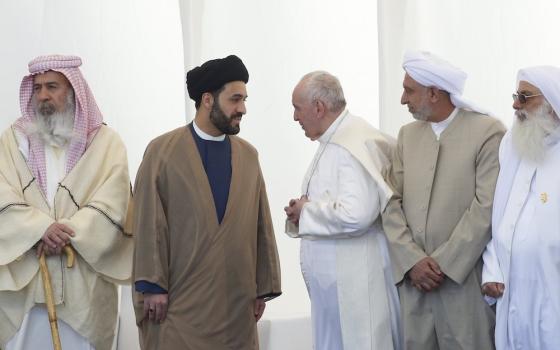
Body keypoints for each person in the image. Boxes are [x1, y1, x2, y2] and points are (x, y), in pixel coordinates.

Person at [132, 54, 282, 350]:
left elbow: (260, 223)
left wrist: (262, 288)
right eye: (235, 99)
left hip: (236, 307)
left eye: (244, 100)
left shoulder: (248, 156)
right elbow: (148, 221)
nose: (243, 109)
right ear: (208, 99)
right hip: (179, 306)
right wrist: (152, 286)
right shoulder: (162, 152)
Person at [0, 55, 133, 350]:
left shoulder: (106, 144)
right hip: (26, 289)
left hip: (83, 287)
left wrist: (66, 233)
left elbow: (114, 201)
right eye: (37, 88)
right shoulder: (12, 141)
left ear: (73, 91)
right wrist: (38, 229)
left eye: (52, 86)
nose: (43, 95)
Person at [382, 51, 505, 349]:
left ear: (434, 93)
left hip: (462, 284)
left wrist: (441, 265)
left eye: (409, 90)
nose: (402, 99)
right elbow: (389, 203)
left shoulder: (487, 132)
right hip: (415, 285)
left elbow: (486, 207)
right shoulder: (407, 135)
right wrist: (412, 261)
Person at [284, 71, 402, 350]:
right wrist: (302, 211)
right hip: (338, 289)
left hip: (356, 284)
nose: (295, 118)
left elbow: (357, 214)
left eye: (297, 109)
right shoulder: (336, 140)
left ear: (319, 108)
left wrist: (307, 211)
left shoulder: (350, 145)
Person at [482, 66, 560, 350]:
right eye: (516, 96)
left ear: (552, 102)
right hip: (512, 293)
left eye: (525, 97)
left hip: (552, 291)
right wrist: (491, 271)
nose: (515, 105)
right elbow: (500, 220)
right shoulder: (513, 146)